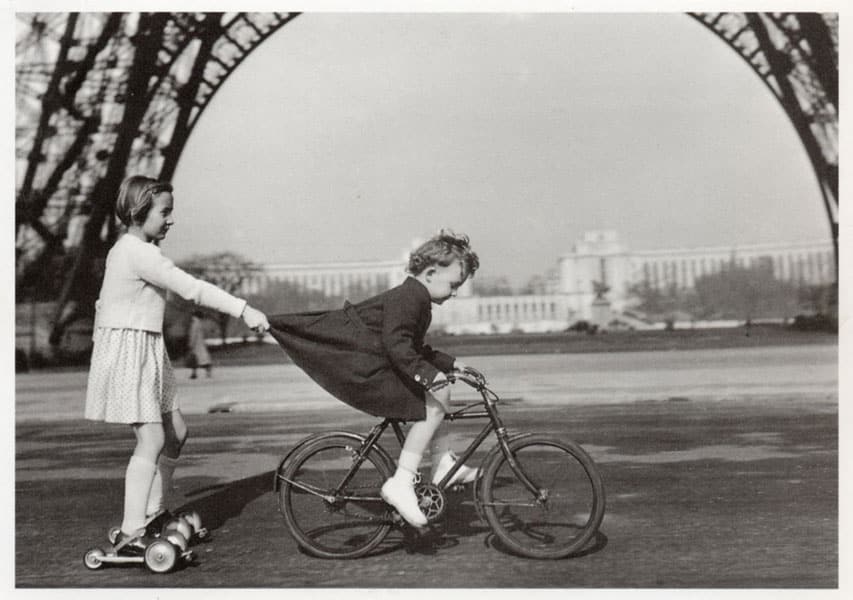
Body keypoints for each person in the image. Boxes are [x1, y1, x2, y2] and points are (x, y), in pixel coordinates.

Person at [84, 175, 270, 556]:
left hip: (146, 347)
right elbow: (190, 287)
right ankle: (132, 530)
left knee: (177, 433)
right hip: (130, 350)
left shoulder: (135, 250)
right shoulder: (137, 252)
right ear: (139, 211)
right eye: (164, 212)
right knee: (151, 440)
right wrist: (243, 309)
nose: (170, 220)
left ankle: (153, 513)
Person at [269, 230, 479, 528]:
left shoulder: (417, 298)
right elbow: (398, 346)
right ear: (431, 273)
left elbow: (415, 349)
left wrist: (452, 365)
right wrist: (433, 377)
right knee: (435, 400)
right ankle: (402, 482)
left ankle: (443, 462)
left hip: (374, 365)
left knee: (439, 393)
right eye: (454, 284)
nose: (456, 292)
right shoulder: (409, 298)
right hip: (366, 370)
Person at [186, 311, 212, 379]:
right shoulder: (200, 323)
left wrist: (191, 343)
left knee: (195, 359)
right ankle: (198, 373)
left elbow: (193, 335)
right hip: (200, 343)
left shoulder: (194, 324)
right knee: (202, 359)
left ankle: (194, 374)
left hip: (196, 345)